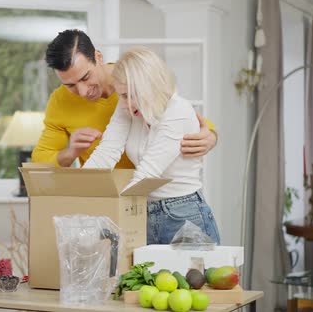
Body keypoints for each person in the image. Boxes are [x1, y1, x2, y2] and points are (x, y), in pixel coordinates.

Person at [83, 47, 220, 245]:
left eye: (128, 95)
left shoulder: (178, 111)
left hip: (184, 214)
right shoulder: (130, 106)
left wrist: (103, 209)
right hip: (145, 213)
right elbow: (107, 151)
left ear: (150, 88)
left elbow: (147, 174)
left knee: (195, 277)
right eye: (121, 95)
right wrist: (77, 189)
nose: (123, 104)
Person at [32, 29, 217, 169]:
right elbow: (40, 161)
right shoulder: (60, 101)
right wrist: (70, 152)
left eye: (85, 77)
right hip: (102, 198)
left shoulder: (134, 79)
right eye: (70, 85)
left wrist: (210, 136)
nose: (82, 91)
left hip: (154, 195)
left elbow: (183, 115)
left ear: (98, 57)